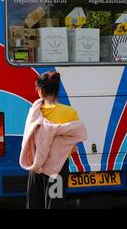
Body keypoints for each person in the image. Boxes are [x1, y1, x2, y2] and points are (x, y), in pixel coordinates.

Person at [20, 71, 86, 209]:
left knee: (34, 204)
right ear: (57, 90)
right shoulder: (70, 112)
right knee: (54, 204)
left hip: (36, 166)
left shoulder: (34, 112)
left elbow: (29, 138)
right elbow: (73, 139)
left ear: (40, 90)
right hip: (58, 168)